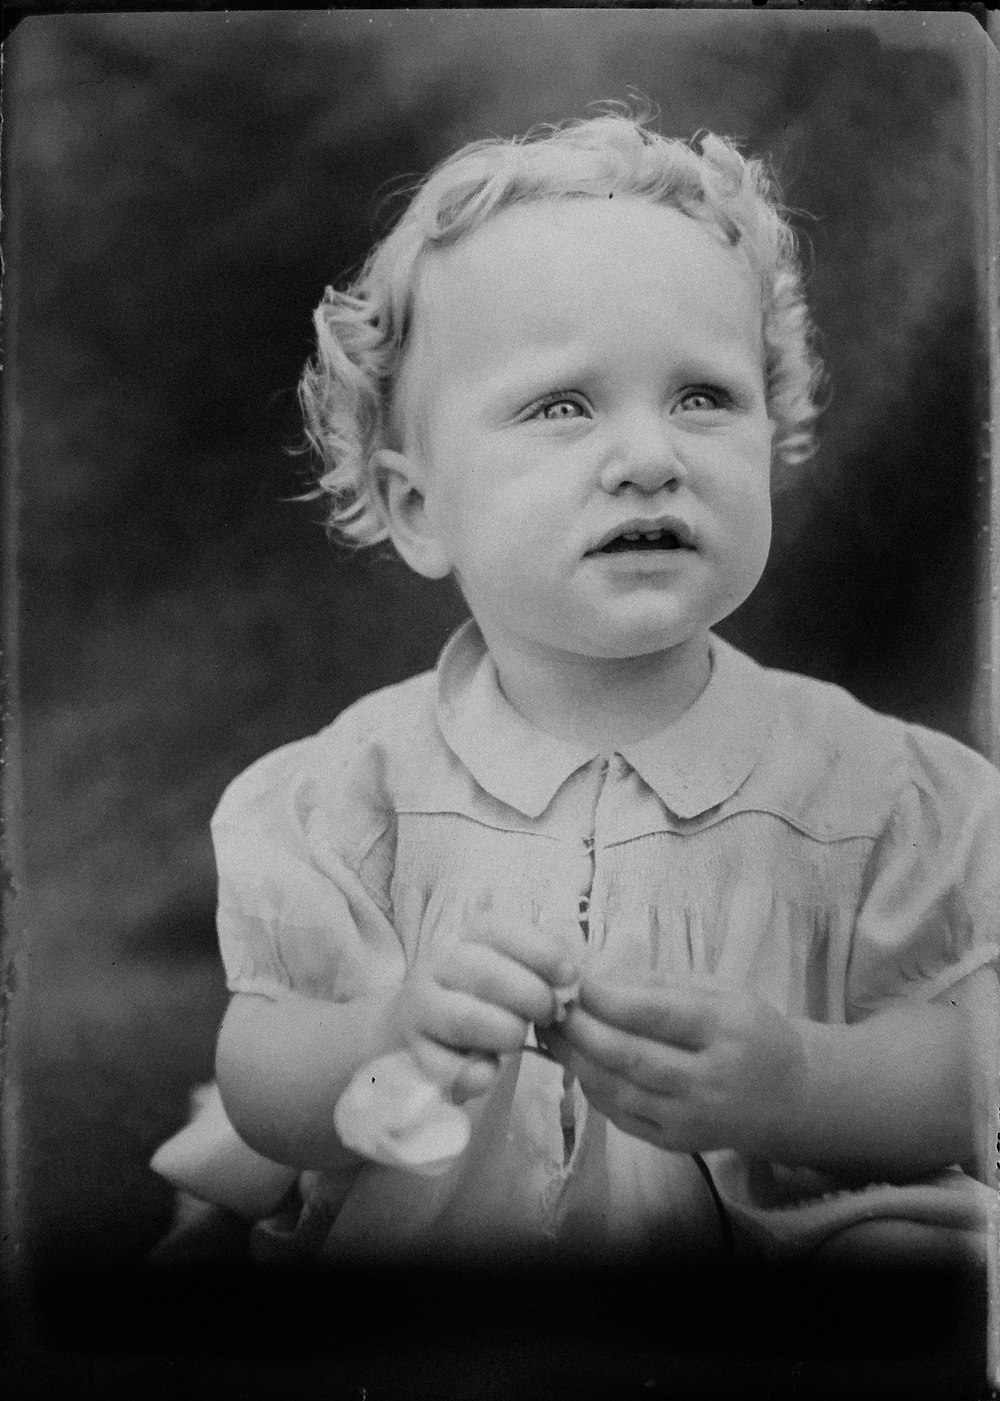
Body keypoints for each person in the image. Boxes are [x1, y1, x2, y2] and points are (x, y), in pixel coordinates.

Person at [150, 109, 999, 1268]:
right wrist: (389, 1036)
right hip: (448, 1258)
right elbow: (266, 1078)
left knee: (922, 1272)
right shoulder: (349, 797)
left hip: (781, 1249)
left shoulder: (873, 794)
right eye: (563, 406)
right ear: (415, 510)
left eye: (705, 396)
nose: (652, 454)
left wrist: (805, 1082)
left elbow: (973, 1072)